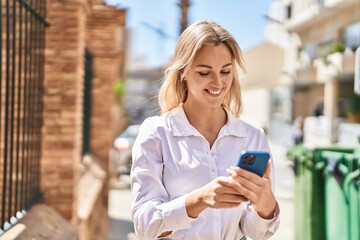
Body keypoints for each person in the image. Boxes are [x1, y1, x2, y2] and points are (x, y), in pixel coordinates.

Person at [131, 20, 280, 240]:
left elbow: (256, 232)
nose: (218, 82)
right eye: (204, 72)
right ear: (183, 72)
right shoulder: (157, 133)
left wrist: (266, 207)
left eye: (226, 71)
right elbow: (145, 226)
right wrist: (199, 200)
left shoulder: (252, 137)